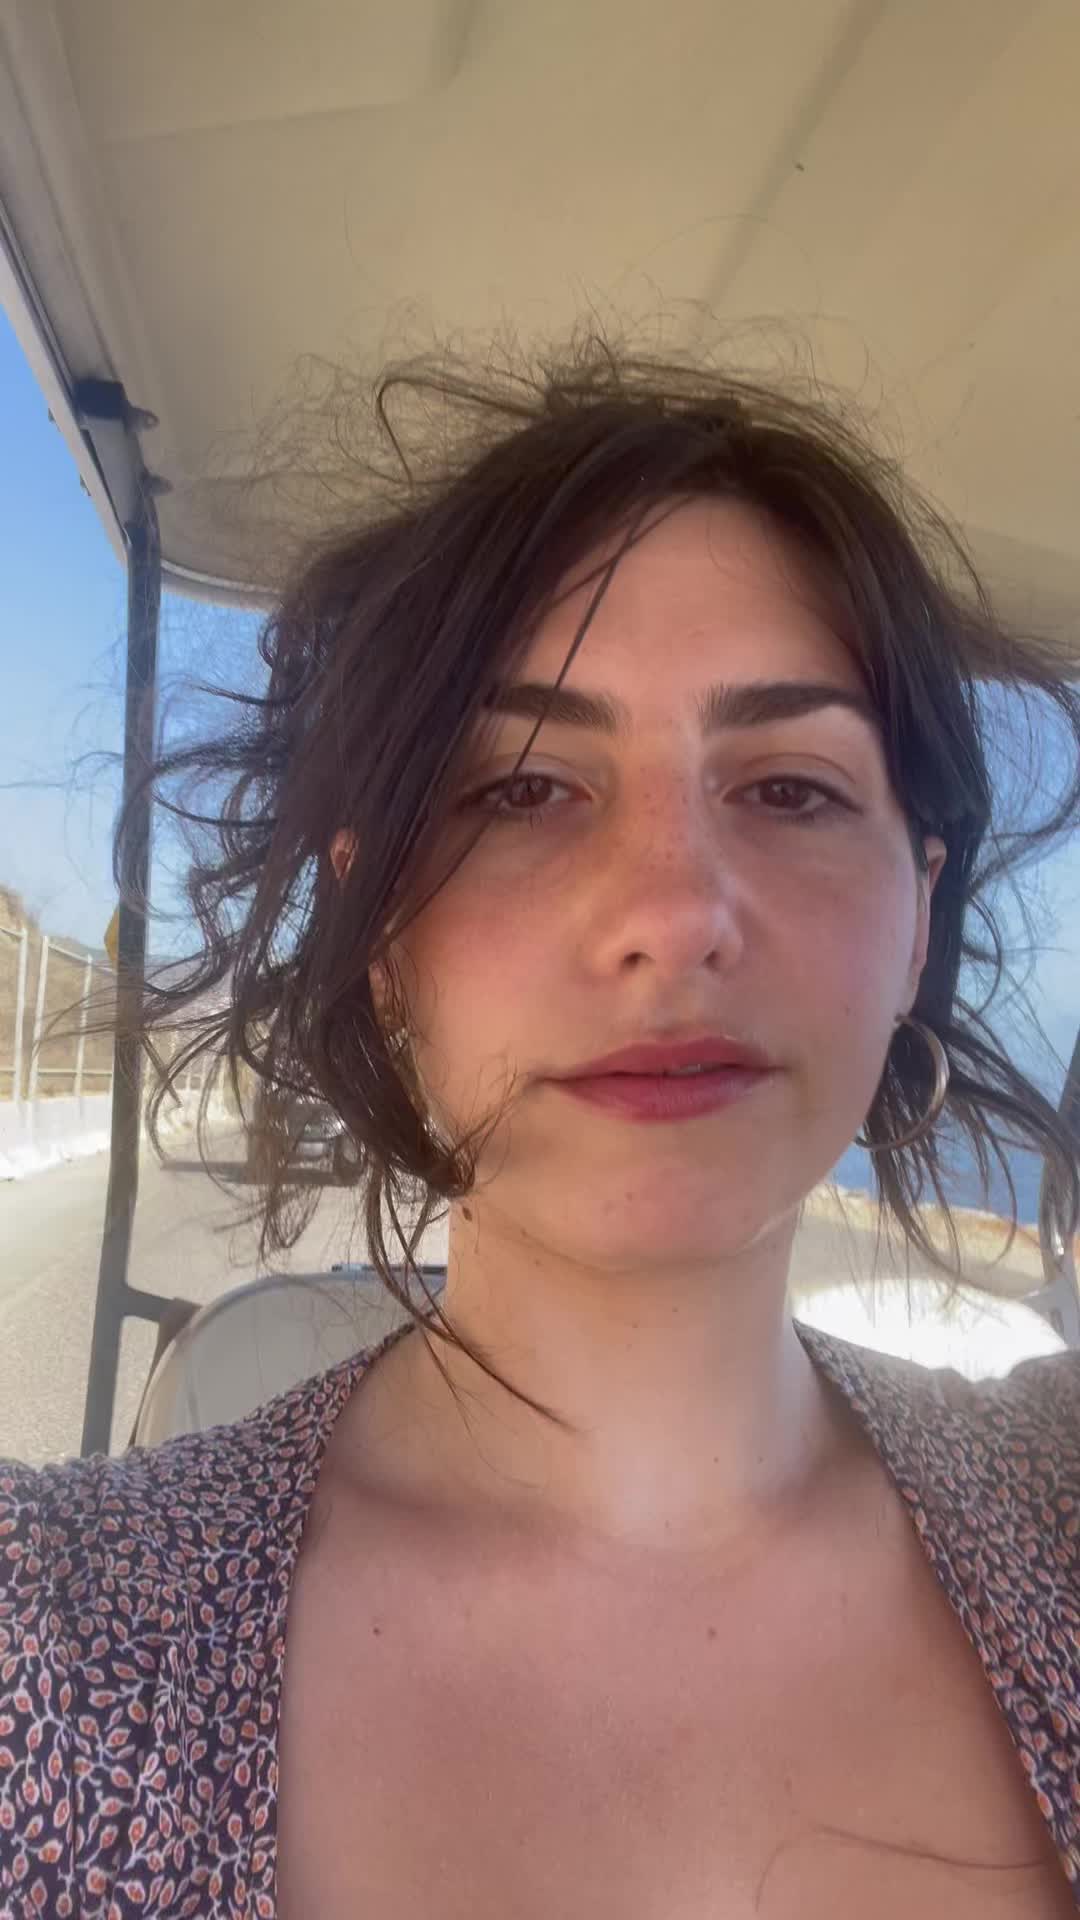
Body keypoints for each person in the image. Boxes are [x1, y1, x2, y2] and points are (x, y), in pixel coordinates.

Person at [3, 334, 1080, 1918]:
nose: (672, 914)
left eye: (790, 789)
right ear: (380, 933)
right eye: (522, 790)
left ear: (919, 915)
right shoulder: (49, 1650)